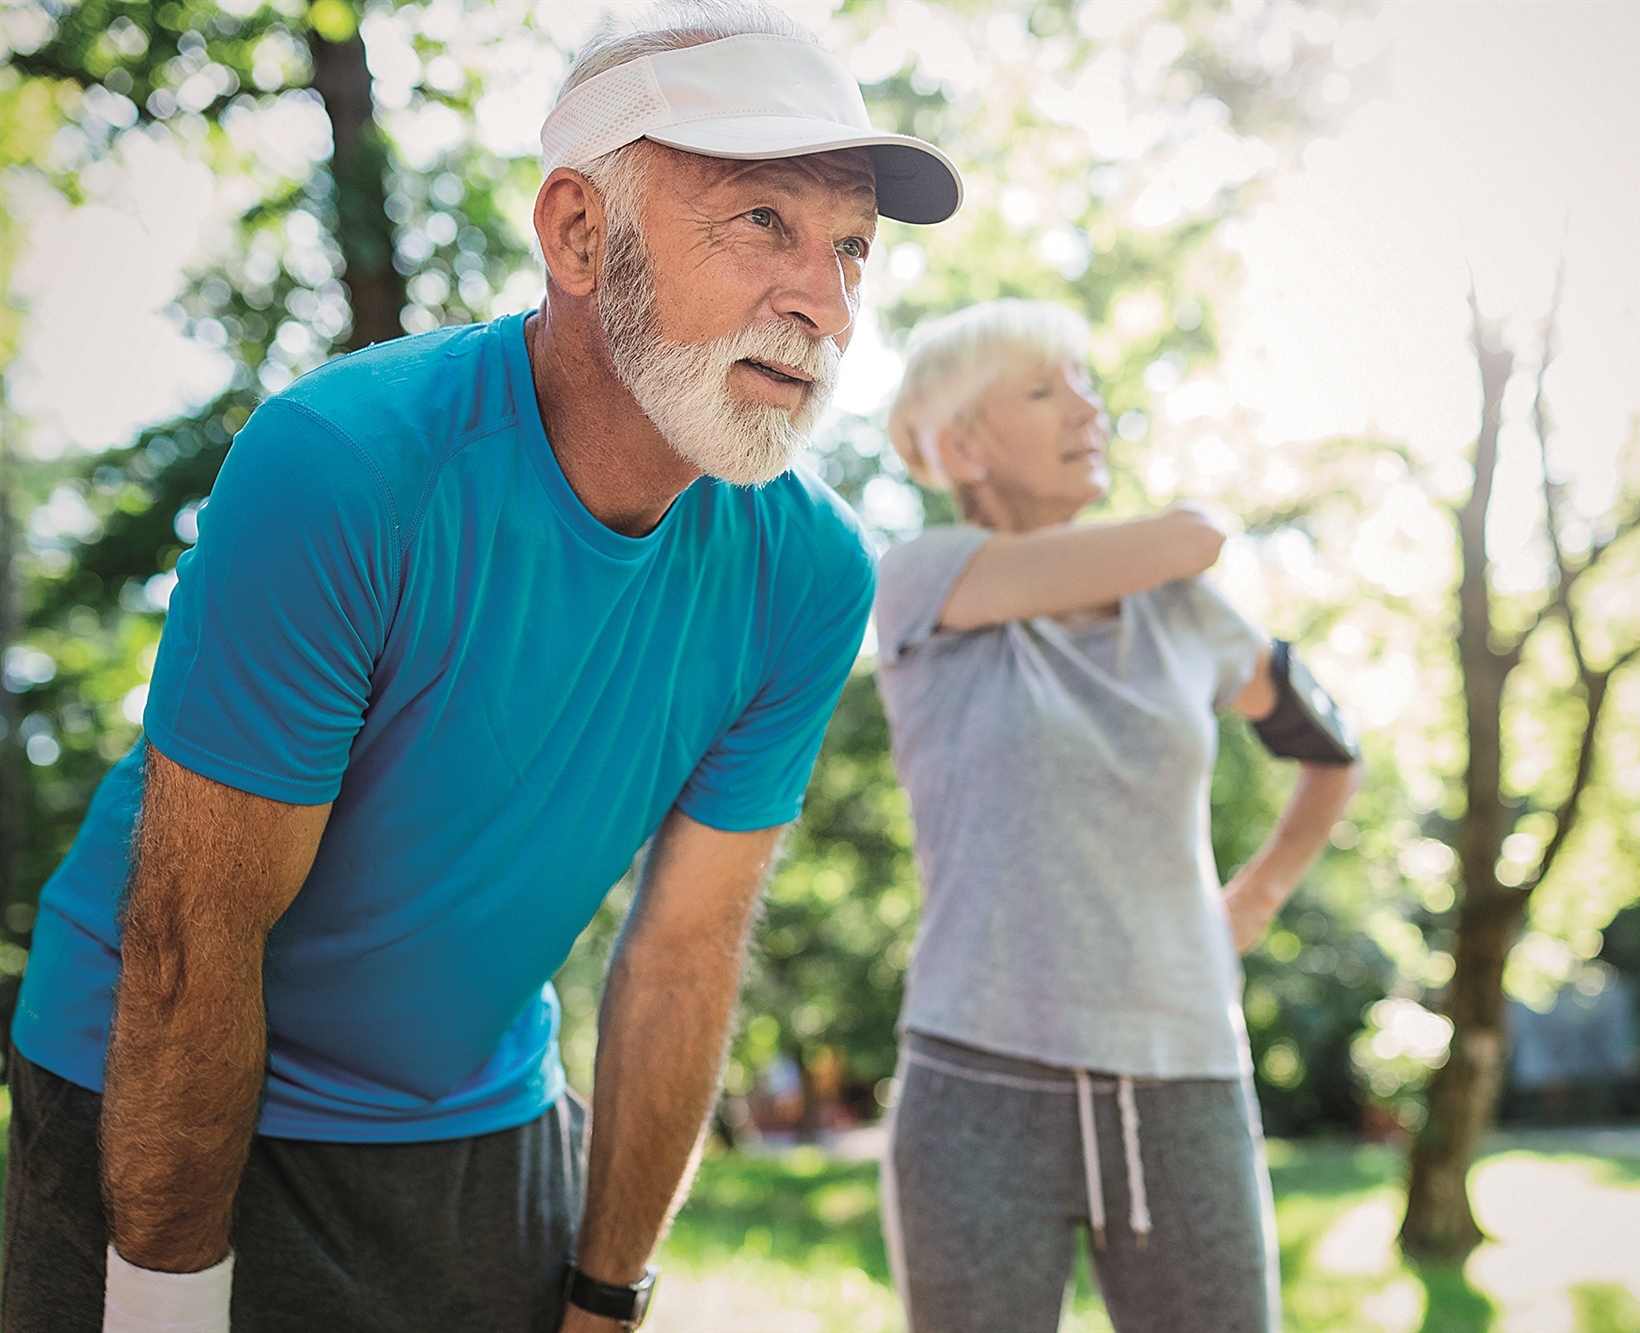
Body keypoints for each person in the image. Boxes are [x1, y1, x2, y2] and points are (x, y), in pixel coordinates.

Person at [3, 4, 960, 1330]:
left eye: (852, 248)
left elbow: (684, 957)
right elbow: (189, 942)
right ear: (578, 233)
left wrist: (608, 1295)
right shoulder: (344, 466)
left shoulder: (809, 573)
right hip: (150, 1078)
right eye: (761, 222)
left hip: (476, 1114)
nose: (825, 300)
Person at [872, 299, 1364, 1333]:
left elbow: (1327, 754)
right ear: (960, 445)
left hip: (1183, 1072)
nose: (1087, 410)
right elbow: (1190, 532)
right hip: (977, 1078)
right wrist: (1194, 535)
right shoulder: (923, 582)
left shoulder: (1186, 611)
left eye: (1085, 383)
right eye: (1045, 390)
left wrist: (1256, 896)